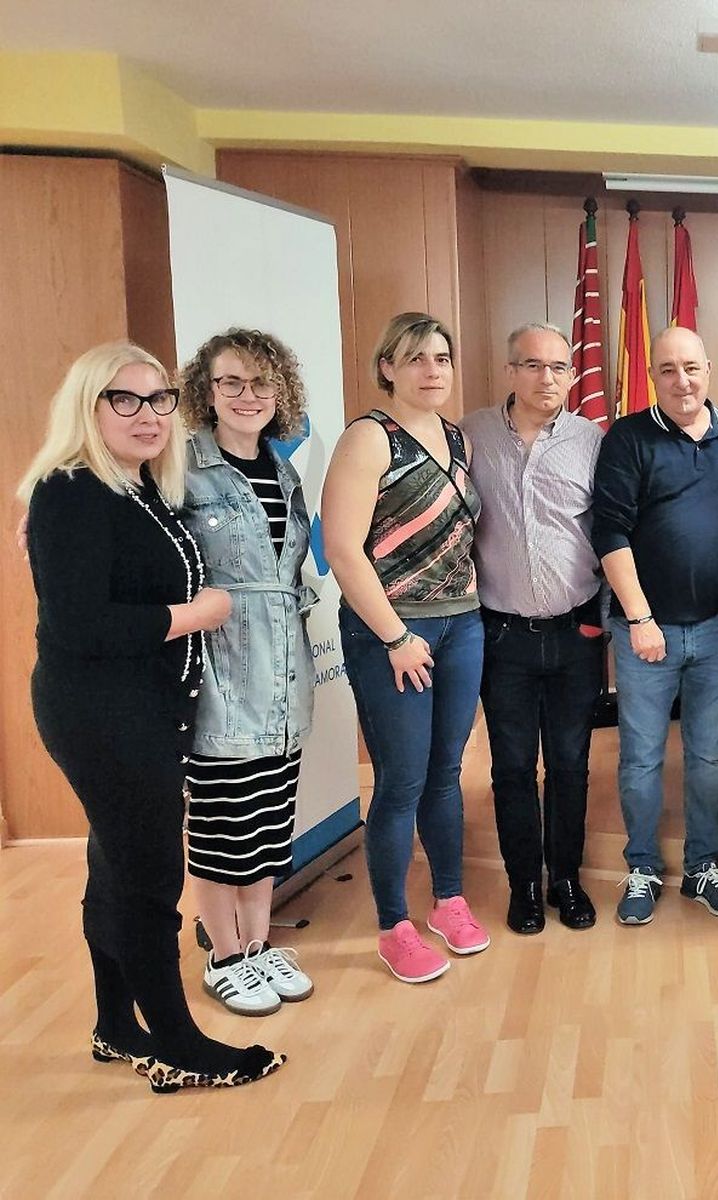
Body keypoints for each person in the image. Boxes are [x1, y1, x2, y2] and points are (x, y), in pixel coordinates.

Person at [21, 341, 283, 1092]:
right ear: (88, 406)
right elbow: (80, 626)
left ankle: (114, 1024)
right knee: (149, 875)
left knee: (115, 866)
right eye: (124, 400)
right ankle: (175, 1042)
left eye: (159, 398)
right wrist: (194, 614)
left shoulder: (141, 489)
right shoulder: (72, 489)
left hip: (145, 706)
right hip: (100, 711)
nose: (148, 415)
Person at [322, 312, 487, 983]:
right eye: (416, 359)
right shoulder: (368, 439)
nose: (432, 371)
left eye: (442, 359)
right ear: (387, 366)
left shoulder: (456, 438)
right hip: (391, 632)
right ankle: (394, 924)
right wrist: (395, 635)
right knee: (401, 780)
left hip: (462, 624)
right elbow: (340, 549)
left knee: (446, 772)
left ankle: (448, 899)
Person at [591, 326, 718, 926]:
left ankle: (703, 866)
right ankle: (641, 867)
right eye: (667, 370)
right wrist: (639, 617)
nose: (681, 381)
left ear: (708, 369)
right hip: (645, 634)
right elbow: (608, 531)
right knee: (640, 758)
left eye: (691, 368)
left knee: (709, 758)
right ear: (652, 377)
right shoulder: (629, 438)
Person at [175, 329, 317, 1014]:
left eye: (262, 383)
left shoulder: (282, 469)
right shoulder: (180, 467)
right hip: (220, 662)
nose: (247, 395)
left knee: (266, 820)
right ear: (206, 389)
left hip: (285, 666)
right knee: (221, 821)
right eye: (231, 381)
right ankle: (223, 953)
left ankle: (258, 947)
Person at [462, 322, 605, 935]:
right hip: (503, 635)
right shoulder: (469, 435)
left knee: (571, 763)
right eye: (533, 365)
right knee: (513, 766)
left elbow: (611, 529)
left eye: (558, 367)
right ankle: (524, 883)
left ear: (571, 374)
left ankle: (565, 879)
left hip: (576, 634)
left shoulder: (592, 440)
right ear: (510, 371)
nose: (547, 378)